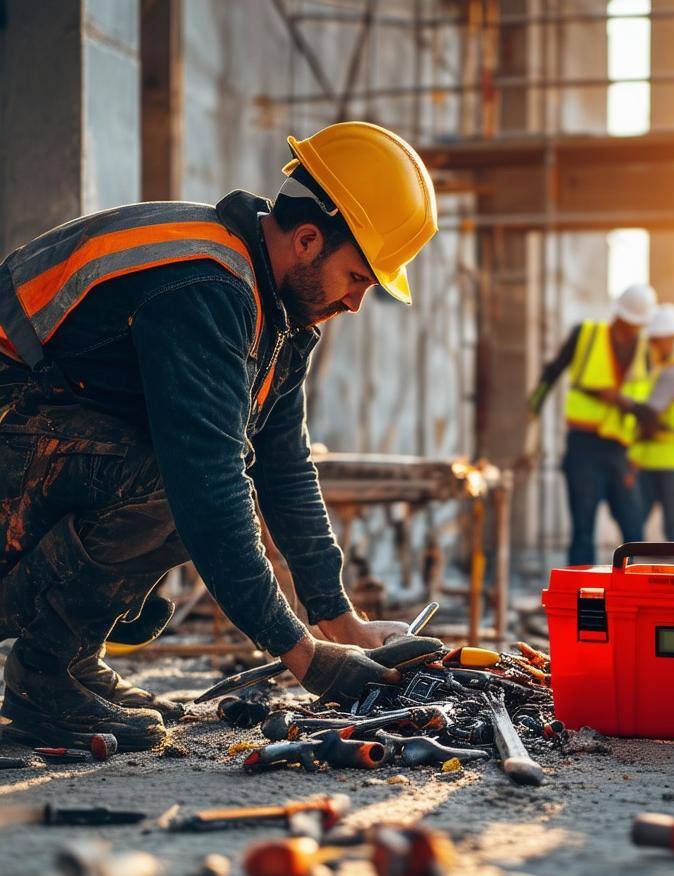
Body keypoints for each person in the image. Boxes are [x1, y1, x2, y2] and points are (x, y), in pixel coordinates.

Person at [0, 121, 437, 750]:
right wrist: (303, 656)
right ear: (309, 240)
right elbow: (208, 482)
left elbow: (284, 467)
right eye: (358, 279)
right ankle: (44, 671)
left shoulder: (276, 311)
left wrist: (335, 617)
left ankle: (67, 658)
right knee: (185, 491)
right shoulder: (206, 284)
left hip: (38, 432)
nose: (356, 303)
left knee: (193, 484)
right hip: (11, 426)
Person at [527, 284, 656, 566]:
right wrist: (534, 405)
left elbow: (645, 402)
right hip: (584, 446)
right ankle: (579, 602)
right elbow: (553, 370)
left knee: (634, 530)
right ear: (618, 316)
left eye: (637, 325)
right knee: (583, 532)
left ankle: (637, 599)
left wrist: (638, 436)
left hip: (620, 451)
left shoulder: (644, 350)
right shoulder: (586, 334)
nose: (631, 330)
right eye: (628, 323)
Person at [628, 303, 674, 542]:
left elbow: (650, 414)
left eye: (655, 340)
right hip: (650, 459)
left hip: (670, 459)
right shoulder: (660, 370)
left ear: (669, 339)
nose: (652, 346)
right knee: (635, 522)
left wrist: (621, 402)